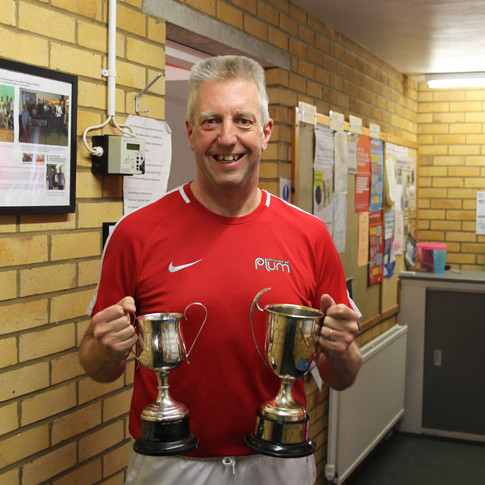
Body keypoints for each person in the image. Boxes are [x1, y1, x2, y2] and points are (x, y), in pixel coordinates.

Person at [79, 55, 362, 485]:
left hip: (279, 462)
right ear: (191, 133)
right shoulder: (135, 233)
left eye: (243, 121)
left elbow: (343, 376)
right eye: (211, 121)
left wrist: (341, 349)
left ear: (265, 132)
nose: (227, 138)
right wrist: (106, 348)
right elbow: (97, 366)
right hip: (171, 464)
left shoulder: (310, 235)